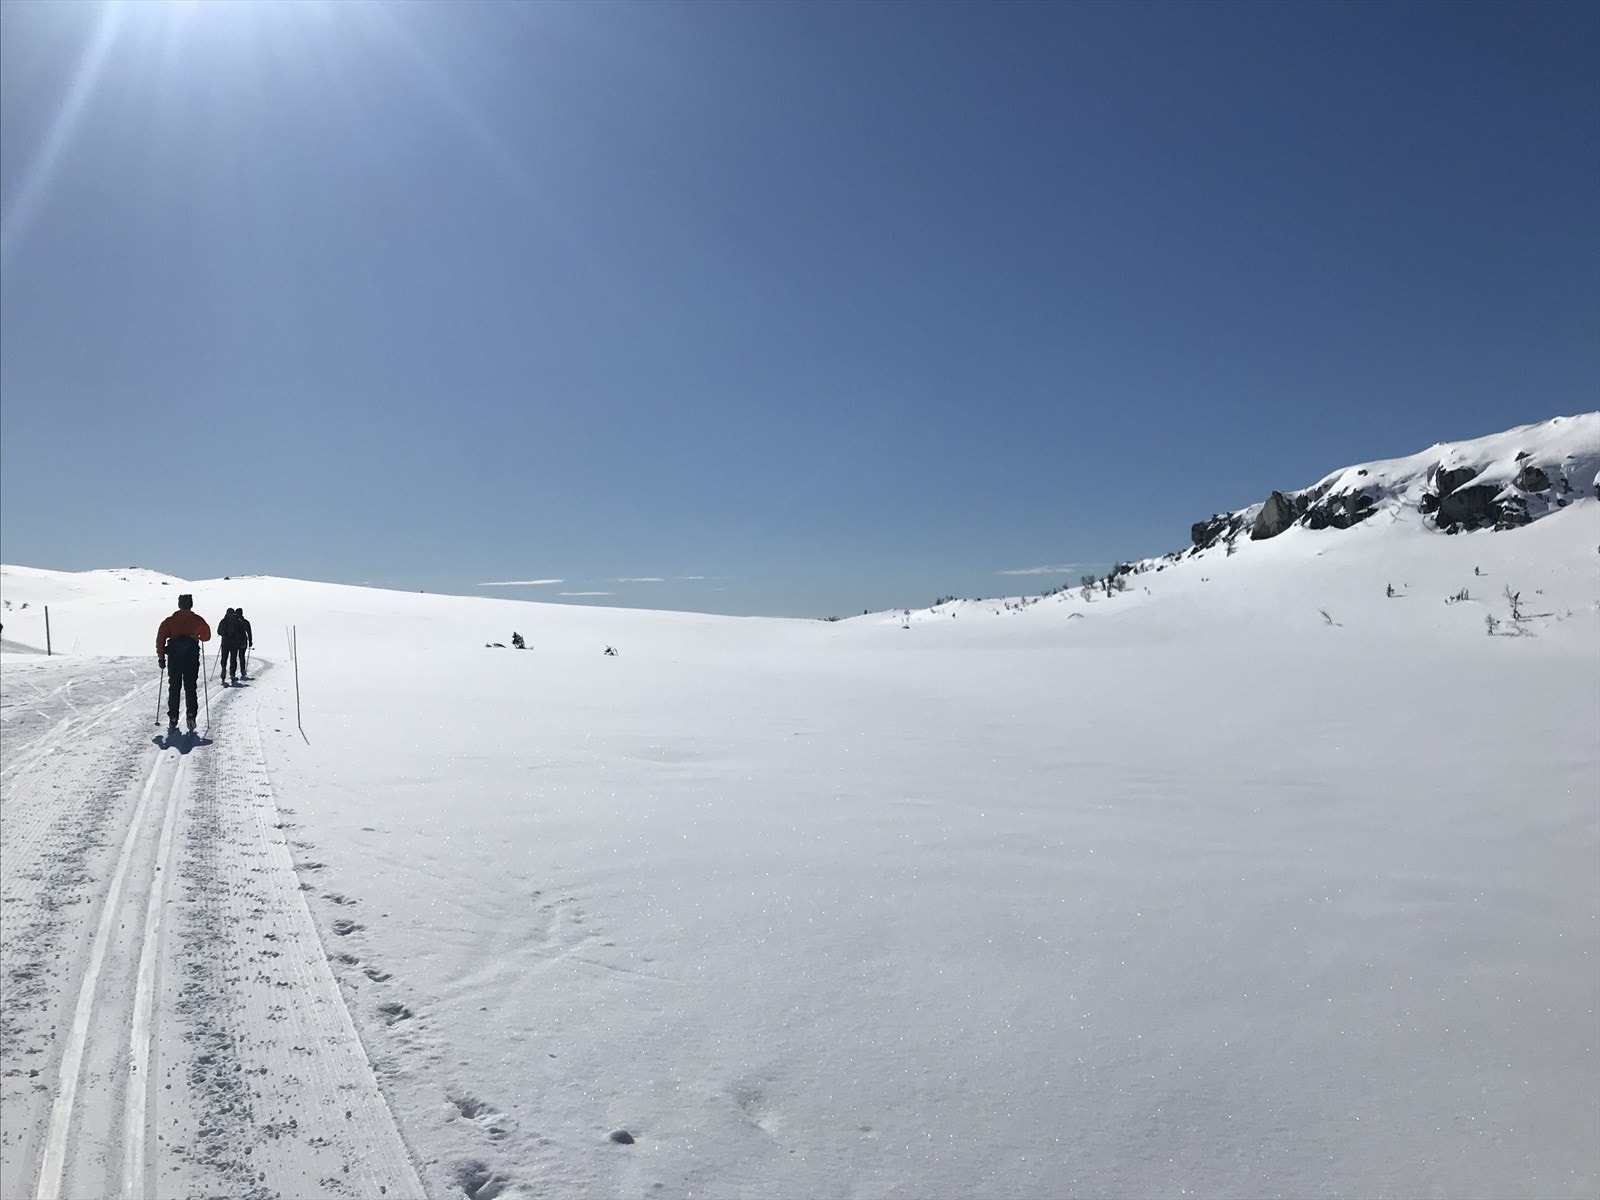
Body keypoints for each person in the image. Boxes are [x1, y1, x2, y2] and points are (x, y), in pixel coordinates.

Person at [156, 594, 211, 731]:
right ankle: (191, 715)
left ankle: (173, 717)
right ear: (191, 604)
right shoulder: (197, 620)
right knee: (190, 687)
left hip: (174, 658)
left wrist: (161, 657)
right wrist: (195, 635)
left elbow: (160, 639)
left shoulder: (169, 621)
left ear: (179, 604)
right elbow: (206, 636)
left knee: (174, 687)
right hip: (191, 658)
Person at [229, 607, 253, 682]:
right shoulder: (245, 622)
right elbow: (249, 632)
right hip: (243, 641)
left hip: (235, 641)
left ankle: (233, 673)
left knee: (234, 657)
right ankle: (242, 670)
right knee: (241, 656)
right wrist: (250, 641)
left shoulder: (233, 622)